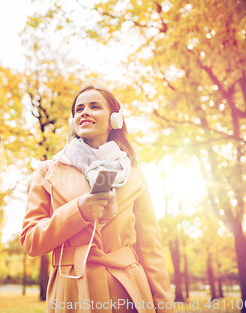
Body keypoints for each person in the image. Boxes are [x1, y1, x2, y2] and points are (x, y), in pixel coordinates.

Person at [20, 82, 175, 313]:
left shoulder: (135, 176)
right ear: (73, 121)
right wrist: (79, 211)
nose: (85, 112)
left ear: (114, 119)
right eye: (79, 108)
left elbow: (151, 251)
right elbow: (31, 241)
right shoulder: (47, 171)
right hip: (71, 291)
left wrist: (164, 307)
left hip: (129, 291)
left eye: (95, 106)